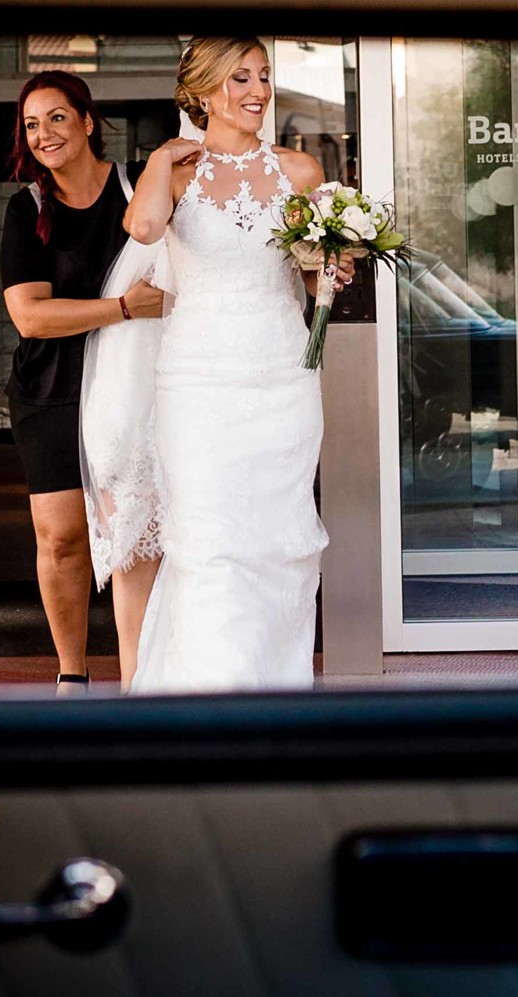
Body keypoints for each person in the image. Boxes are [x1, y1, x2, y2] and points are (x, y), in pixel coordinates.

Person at [122, 37, 351, 692]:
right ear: (203, 91)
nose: (256, 91)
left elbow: (311, 280)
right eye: (238, 78)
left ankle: (276, 694)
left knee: (280, 545)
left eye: (263, 76)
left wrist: (332, 272)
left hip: (282, 376)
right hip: (197, 384)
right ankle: (209, 703)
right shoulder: (176, 172)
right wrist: (166, 153)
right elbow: (142, 230)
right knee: (210, 546)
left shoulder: (300, 171)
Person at [0, 71, 165, 693]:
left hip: (134, 387)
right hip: (53, 389)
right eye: (32, 125)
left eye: (58, 118)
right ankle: (72, 674)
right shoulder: (28, 209)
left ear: (88, 121)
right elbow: (30, 315)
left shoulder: (136, 186)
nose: (44, 135)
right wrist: (122, 307)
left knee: (134, 537)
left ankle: (141, 681)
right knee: (62, 536)